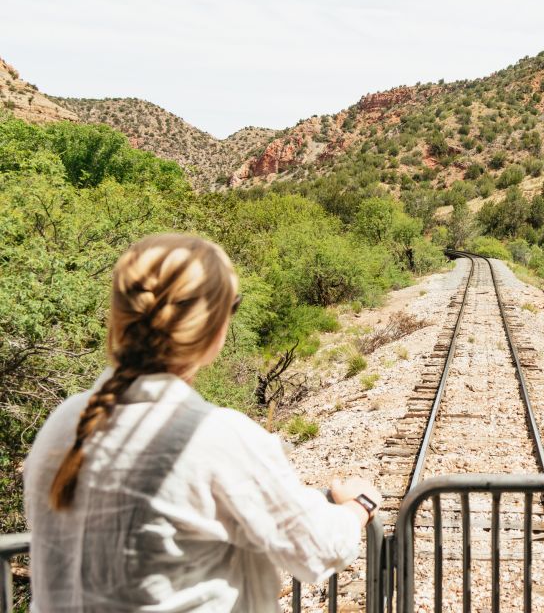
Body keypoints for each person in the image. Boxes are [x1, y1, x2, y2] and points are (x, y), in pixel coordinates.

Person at [24, 234, 382, 612]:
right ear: (214, 326)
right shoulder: (214, 435)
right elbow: (319, 549)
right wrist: (358, 505)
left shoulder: (61, 422)